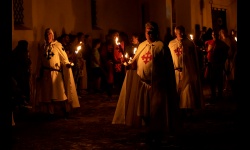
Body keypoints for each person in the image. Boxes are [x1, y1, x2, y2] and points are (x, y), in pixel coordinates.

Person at [115, 21, 181, 145]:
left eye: (152, 32)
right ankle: (150, 132)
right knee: (144, 111)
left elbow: (168, 68)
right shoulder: (141, 46)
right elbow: (134, 64)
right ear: (145, 33)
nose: (149, 34)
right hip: (143, 84)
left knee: (156, 111)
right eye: (147, 32)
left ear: (156, 32)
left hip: (158, 85)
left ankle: (156, 134)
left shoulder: (162, 47)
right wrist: (127, 63)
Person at [36, 28, 80, 119]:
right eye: (47, 34)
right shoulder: (42, 47)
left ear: (52, 36)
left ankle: (66, 110)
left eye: (50, 34)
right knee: (48, 95)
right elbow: (39, 61)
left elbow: (64, 59)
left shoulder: (58, 46)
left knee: (60, 94)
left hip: (56, 74)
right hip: (46, 74)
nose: (48, 36)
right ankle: (50, 113)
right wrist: (38, 73)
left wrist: (67, 64)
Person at [168, 25, 204, 120]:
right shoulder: (171, 44)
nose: (181, 34)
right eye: (179, 32)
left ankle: (188, 111)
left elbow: (194, 58)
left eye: (182, 32)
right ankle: (179, 111)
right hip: (176, 71)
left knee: (187, 91)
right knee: (177, 91)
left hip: (188, 71)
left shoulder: (189, 43)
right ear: (175, 33)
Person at [205, 30, 229, 103]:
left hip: (218, 64)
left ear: (218, 35)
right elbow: (207, 50)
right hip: (211, 64)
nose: (214, 35)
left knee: (219, 80)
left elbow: (226, 53)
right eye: (213, 34)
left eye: (215, 34)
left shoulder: (222, 44)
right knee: (212, 80)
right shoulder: (209, 42)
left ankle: (219, 95)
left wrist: (222, 62)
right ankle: (213, 95)